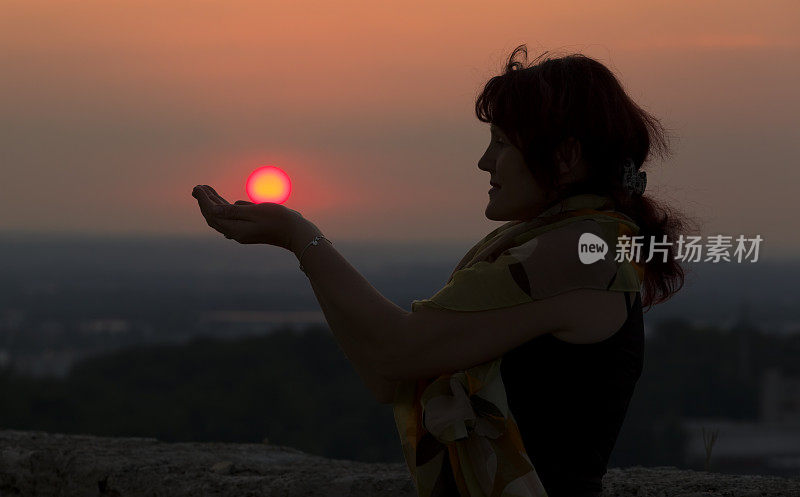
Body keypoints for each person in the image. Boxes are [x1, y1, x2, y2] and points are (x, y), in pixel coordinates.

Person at [191, 44, 695, 497]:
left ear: (564, 156)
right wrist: (299, 243)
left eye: (501, 142)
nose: (484, 161)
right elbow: (389, 374)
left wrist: (299, 237)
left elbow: (394, 351)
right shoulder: (585, 242)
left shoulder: (573, 251)